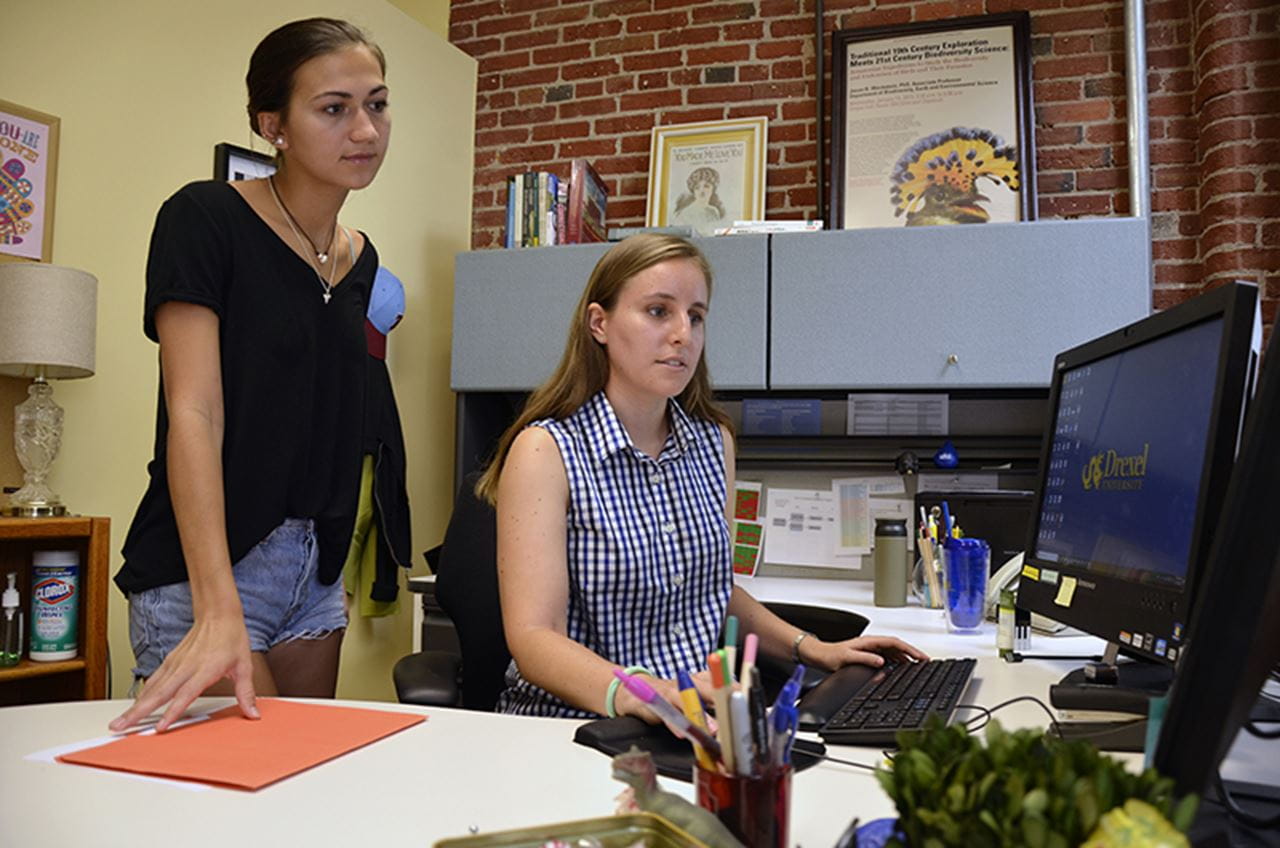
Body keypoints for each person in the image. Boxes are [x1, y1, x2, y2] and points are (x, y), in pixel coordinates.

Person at [476, 234, 926, 722]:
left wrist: (813, 648)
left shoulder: (713, 444)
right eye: (657, 311)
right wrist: (644, 693)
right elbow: (535, 639)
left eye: (696, 316)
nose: (682, 334)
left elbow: (713, 590)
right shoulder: (547, 450)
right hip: (579, 727)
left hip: (697, 720)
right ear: (599, 323)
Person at [110, 17, 405, 732]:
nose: (364, 128)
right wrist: (217, 604)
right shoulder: (203, 218)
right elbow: (194, 414)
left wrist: (334, 558)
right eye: (334, 108)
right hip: (207, 563)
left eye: (377, 103)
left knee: (298, 794)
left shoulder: (360, 258)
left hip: (316, 571)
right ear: (272, 124)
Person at [670, 167, 726, 236]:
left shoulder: (714, 211)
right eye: (697, 187)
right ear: (693, 191)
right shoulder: (686, 214)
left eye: (706, 186)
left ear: (713, 188)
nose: (701, 191)